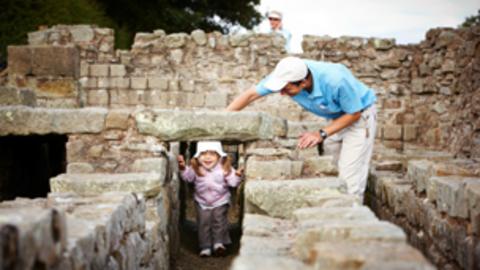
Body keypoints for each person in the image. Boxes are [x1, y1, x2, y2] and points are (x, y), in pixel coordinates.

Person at [226, 56, 377, 202]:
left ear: (303, 83)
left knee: (350, 178)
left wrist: (321, 134)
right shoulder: (286, 71)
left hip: (359, 117)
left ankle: (350, 221)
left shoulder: (336, 80)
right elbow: (251, 95)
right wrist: (222, 119)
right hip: (336, 117)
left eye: (287, 89)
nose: (282, 93)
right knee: (333, 172)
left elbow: (354, 113)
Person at [177, 141, 243, 257]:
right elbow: (188, 177)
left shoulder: (224, 167)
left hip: (220, 200)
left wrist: (237, 175)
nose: (207, 157)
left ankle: (218, 244)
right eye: (203, 154)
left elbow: (232, 183)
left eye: (212, 154)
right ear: (197, 157)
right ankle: (205, 246)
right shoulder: (196, 168)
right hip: (202, 201)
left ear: (219, 156)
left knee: (219, 222)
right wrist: (183, 168)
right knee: (204, 224)